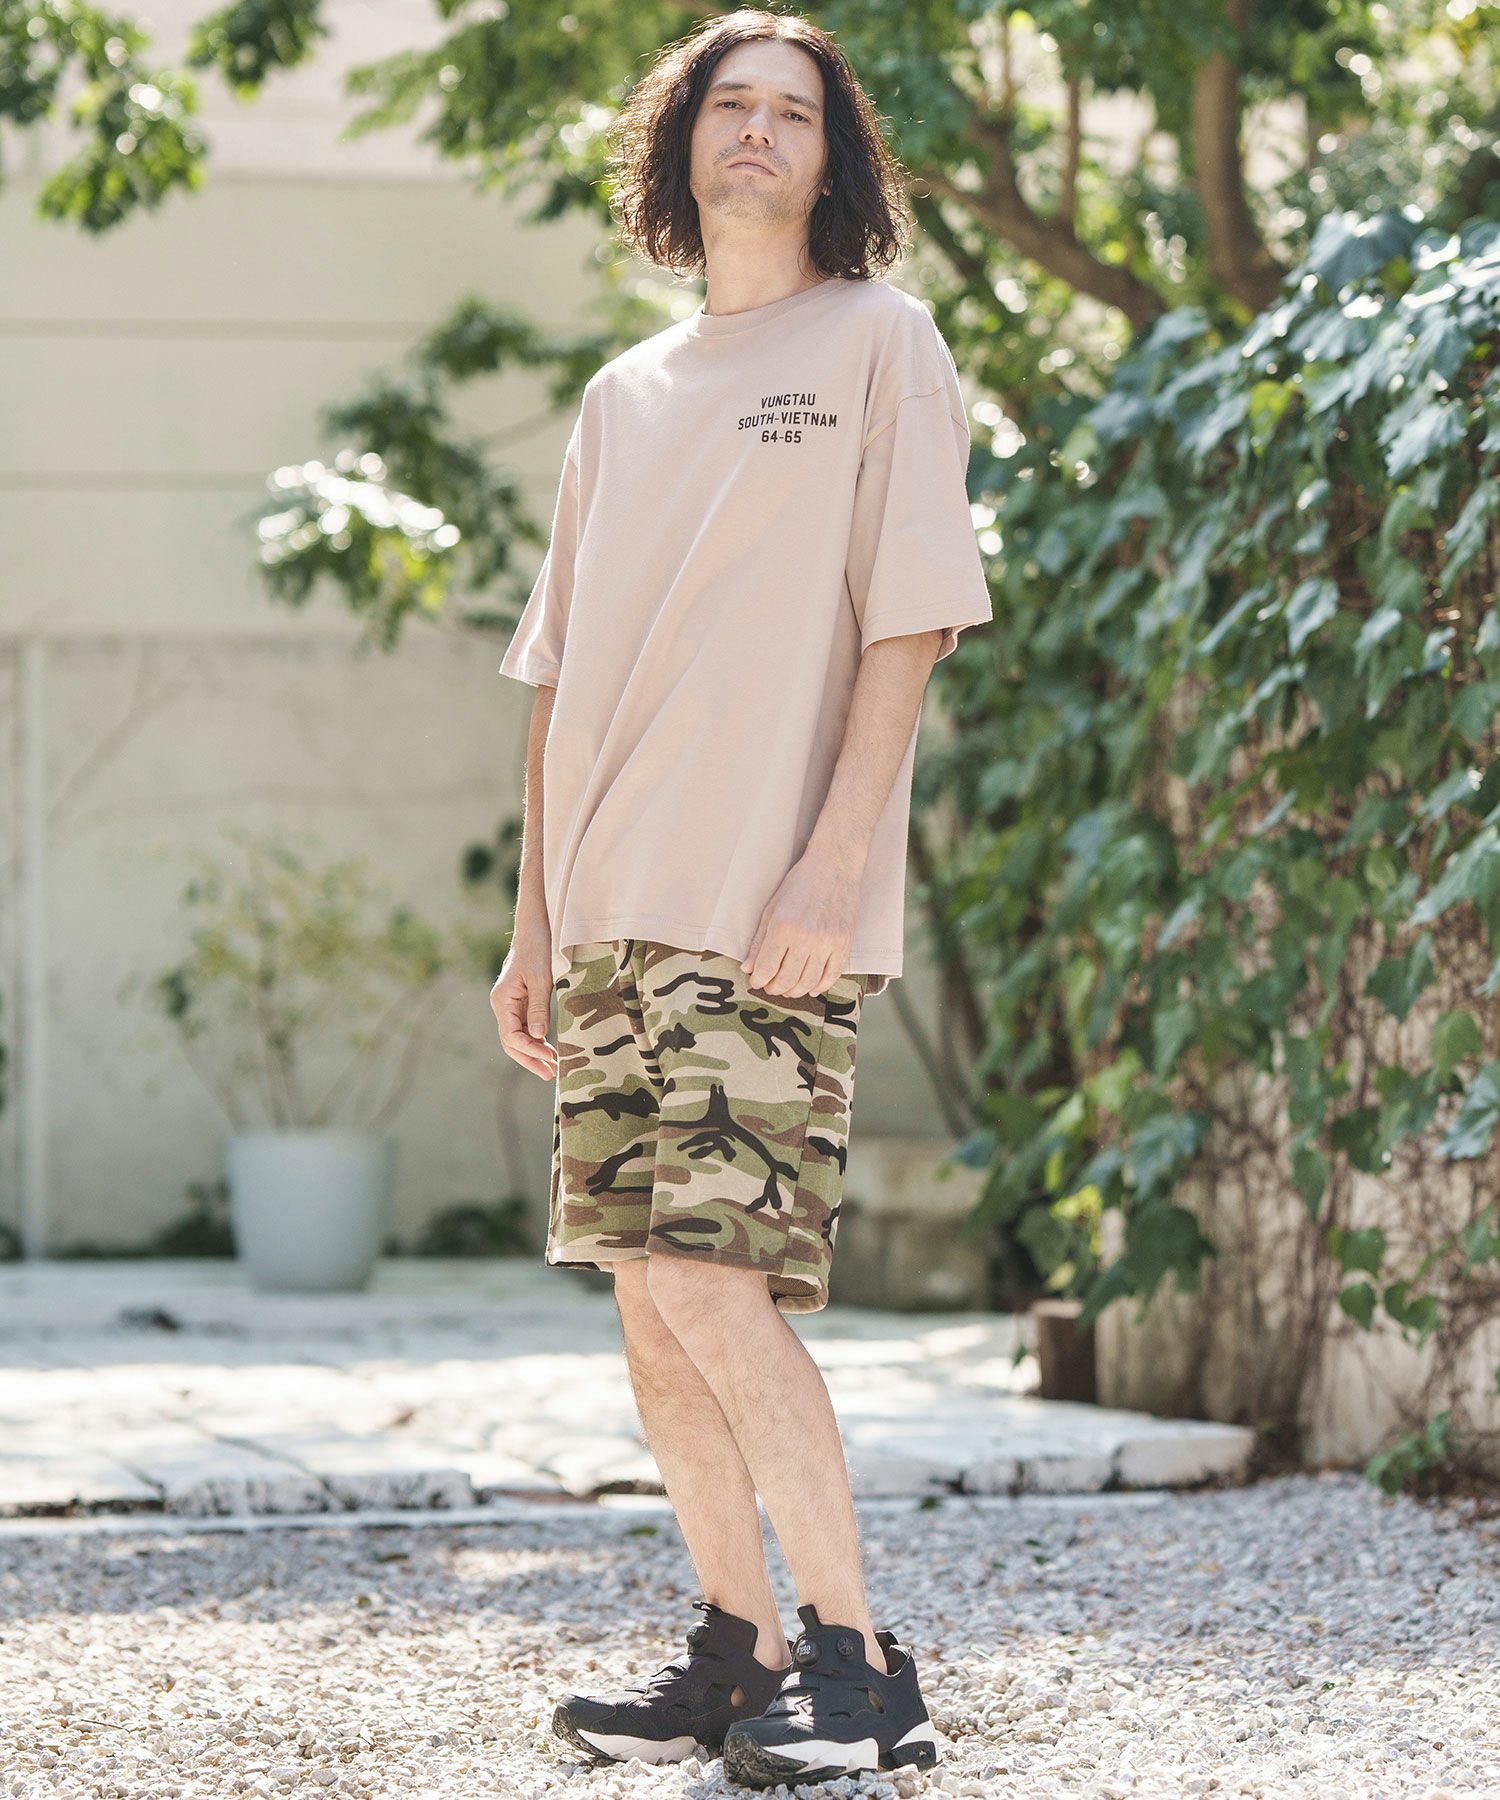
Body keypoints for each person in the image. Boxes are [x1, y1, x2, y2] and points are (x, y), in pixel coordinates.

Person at [490, 8, 992, 1788]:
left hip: (762, 907)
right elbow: (560, 678)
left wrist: (836, 857)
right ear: (682, 143)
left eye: (794, 111)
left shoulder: (879, 342)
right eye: (730, 104)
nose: (759, 131)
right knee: (648, 1297)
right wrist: (534, 920)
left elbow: (911, 619)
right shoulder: (622, 398)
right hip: (609, 913)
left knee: (715, 1286)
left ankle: (861, 1667)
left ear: (833, 157)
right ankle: (737, 1648)